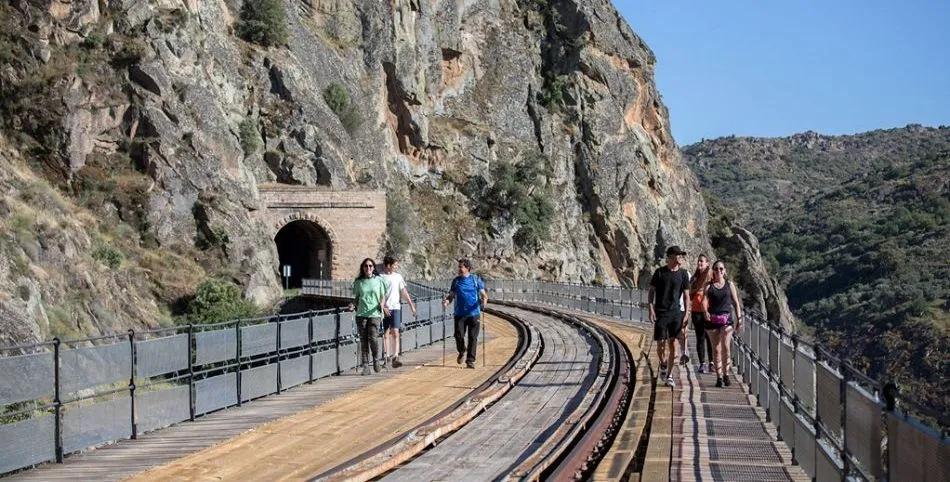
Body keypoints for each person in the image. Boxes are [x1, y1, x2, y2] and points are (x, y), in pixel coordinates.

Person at [648, 245, 691, 388]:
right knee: (660, 346)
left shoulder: (684, 274)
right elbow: (651, 291)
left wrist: (687, 313)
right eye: (678, 255)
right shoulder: (659, 273)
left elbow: (686, 296)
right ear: (671, 257)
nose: (680, 258)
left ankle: (670, 375)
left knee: (673, 344)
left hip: (676, 313)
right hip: (661, 313)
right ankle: (664, 363)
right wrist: (651, 308)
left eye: (681, 255)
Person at [703, 260, 743, 387]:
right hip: (712, 320)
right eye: (716, 269)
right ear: (713, 271)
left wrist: (739, 319)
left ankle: (726, 374)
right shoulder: (708, 286)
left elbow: (736, 303)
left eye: (721, 269)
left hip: (727, 320)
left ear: (724, 270)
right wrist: (705, 312)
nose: (718, 271)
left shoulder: (729, 285)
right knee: (716, 349)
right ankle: (719, 377)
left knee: (726, 347)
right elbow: (704, 300)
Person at [442, 258, 487, 369]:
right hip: (459, 314)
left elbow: (483, 294)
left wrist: (484, 301)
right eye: (459, 267)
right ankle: (462, 350)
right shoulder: (456, 281)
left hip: (474, 313)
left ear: (467, 268)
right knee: (458, 335)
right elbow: (452, 295)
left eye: (461, 267)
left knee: (473, 337)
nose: (459, 269)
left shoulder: (476, 280)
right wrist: (447, 301)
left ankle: (470, 360)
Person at [349, 257, 389, 375]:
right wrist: (352, 305)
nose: (368, 268)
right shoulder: (358, 282)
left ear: (373, 268)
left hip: (375, 313)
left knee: (373, 338)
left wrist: (382, 305)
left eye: (370, 266)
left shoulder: (379, 280)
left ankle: (376, 359)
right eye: (366, 266)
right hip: (361, 313)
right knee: (363, 340)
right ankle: (366, 366)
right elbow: (356, 298)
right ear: (363, 268)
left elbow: (383, 296)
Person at [380, 255, 417, 368]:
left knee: (395, 331)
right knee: (385, 333)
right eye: (395, 264)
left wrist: (411, 306)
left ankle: (395, 355)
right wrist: (383, 307)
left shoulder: (398, 277)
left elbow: (404, 292)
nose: (396, 266)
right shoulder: (381, 277)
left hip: (395, 307)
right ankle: (386, 355)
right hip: (385, 307)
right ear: (389, 265)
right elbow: (378, 294)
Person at [689, 254, 715, 373]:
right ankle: (702, 363)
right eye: (699, 261)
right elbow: (689, 292)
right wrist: (696, 290)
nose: (700, 263)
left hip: (708, 310)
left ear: (707, 263)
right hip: (696, 309)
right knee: (700, 337)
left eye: (702, 261)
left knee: (709, 337)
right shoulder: (695, 276)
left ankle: (712, 362)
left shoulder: (710, 275)